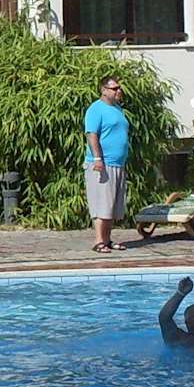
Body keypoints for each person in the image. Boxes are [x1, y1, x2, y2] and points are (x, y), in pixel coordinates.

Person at [84, 75, 130, 255]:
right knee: (101, 203)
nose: (119, 91)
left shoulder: (117, 109)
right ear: (103, 90)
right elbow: (91, 134)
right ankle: (98, 241)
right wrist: (98, 159)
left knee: (112, 205)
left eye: (119, 88)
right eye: (114, 88)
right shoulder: (96, 109)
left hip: (118, 163)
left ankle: (107, 240)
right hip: (102, 164)